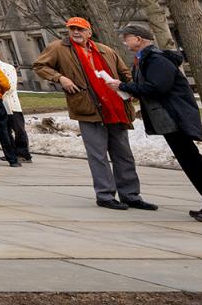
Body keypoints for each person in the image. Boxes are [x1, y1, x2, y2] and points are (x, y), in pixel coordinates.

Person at [109, 23, 202, 223]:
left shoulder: (156, 59)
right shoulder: (145, 59)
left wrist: (123, 85)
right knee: (190, 163)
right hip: (168, 119)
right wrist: (132, 91)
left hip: (175, 117)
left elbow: (157, 88)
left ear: (139, 39)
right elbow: (151, 87)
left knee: (194, 162)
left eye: (127, 38)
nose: (125, 42)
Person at [34, 17, 152, 211]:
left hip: (116, 107)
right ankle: (105, 195)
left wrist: (132, 90)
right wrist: (60, 78)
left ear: (89, 32)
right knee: (98, 155)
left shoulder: (106, 50)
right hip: (88, 108)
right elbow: (40, 66)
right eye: (72, 29)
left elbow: (125, 73)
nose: (75, 32)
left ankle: (130, 195)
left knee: (123, 154)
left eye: (80, 29)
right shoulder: (58, 48)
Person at [0, 45, 32, 161]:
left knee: (18, 129)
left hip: (10, 103)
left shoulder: (7, 67)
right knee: (4, 130)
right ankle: (10, 152)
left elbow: (10, 86)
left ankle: (23, 153)